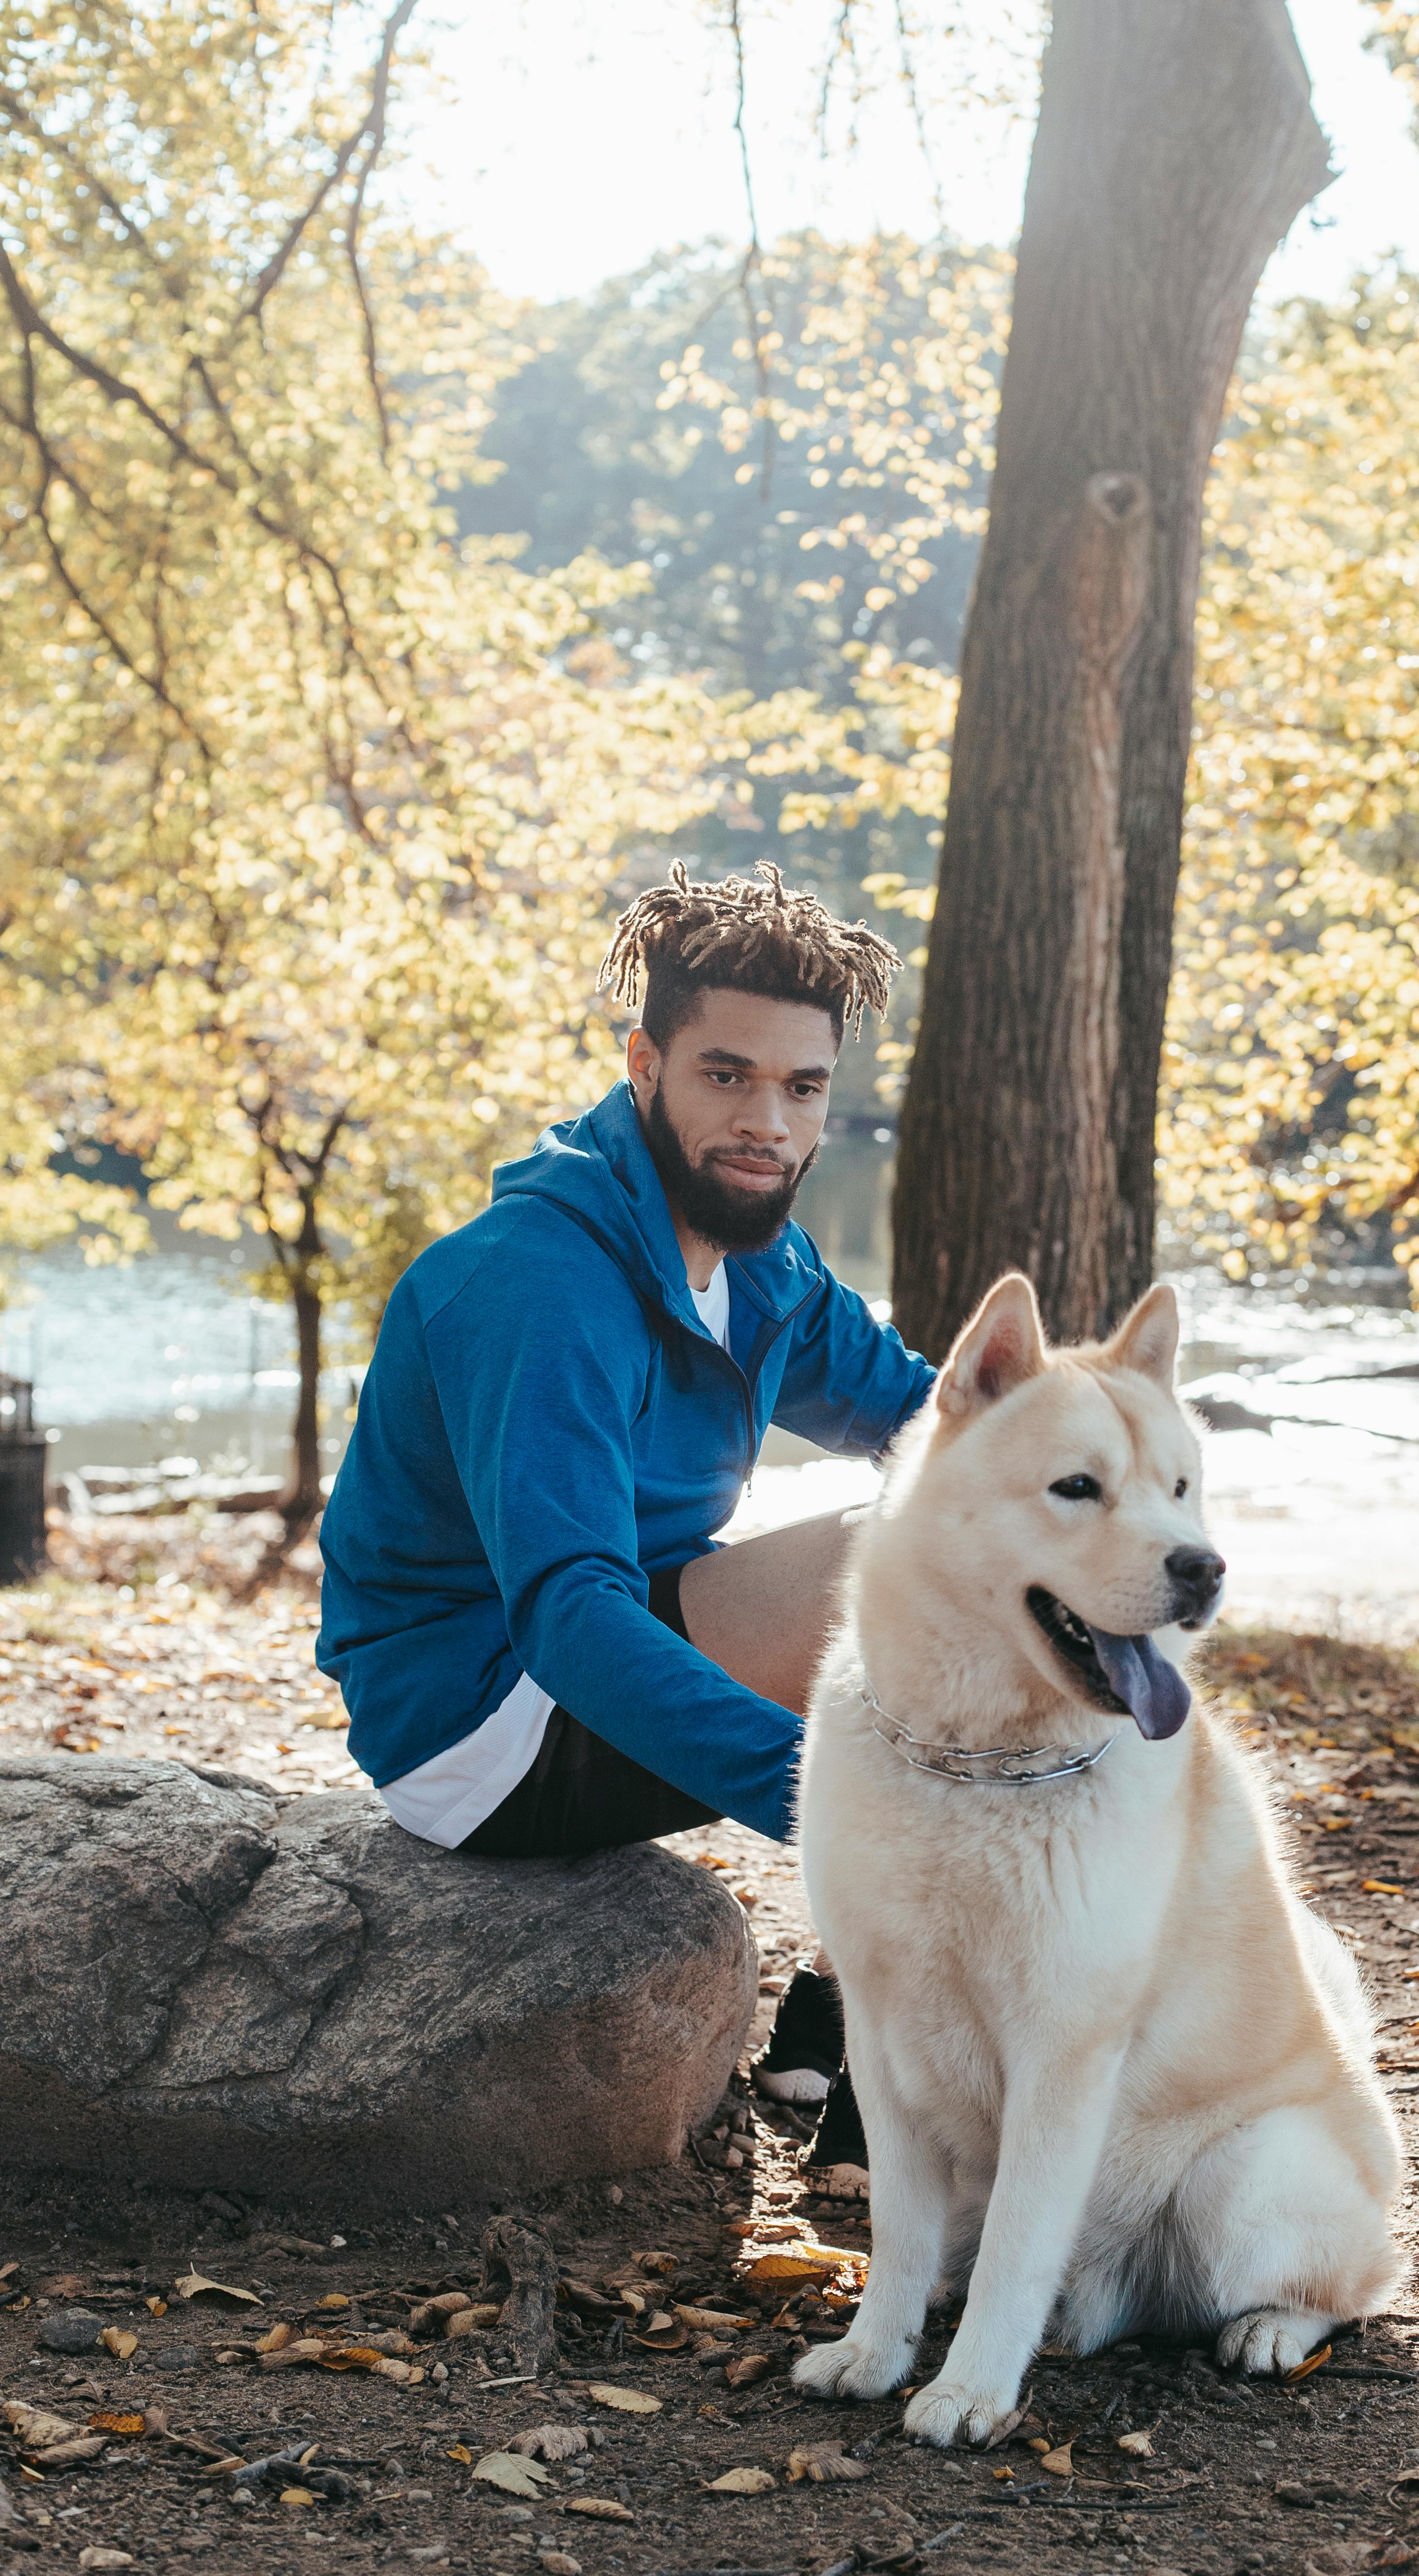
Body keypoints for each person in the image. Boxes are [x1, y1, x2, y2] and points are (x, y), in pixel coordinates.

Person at [317, 861, 938, 2186]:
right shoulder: (538, 1283)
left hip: (597, 1665)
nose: (766, 1121)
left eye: (802, 1087)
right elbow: (570, 1616)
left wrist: (1110, 1480)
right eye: (726, 1075)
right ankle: (908, 2082)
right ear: (644, 1063)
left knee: (987, 1527)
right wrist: (834, 1800)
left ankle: (836, 2023)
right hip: (480, 1722)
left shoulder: (759, 1258)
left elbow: (932, 1424)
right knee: (919, 1562)